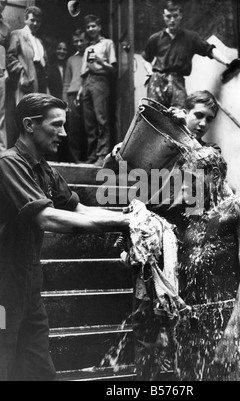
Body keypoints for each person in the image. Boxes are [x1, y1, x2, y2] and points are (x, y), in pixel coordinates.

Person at [0, 93, 130, 381]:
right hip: (2, 287)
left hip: (29, 285)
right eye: (56, 125)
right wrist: (122, 222)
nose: (64, 133)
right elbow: (47, 218)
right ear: (29, 125)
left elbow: (80, 208)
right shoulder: (8, 164)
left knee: (39, 369)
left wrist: (132, 216)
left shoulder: (45, 170)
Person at [176, 147, 240, 381]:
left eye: (190, 178)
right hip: (191, 325)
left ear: (214, 175)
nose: (184, 185)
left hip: (225, 319)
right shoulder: (193, 213)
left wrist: (232, 333)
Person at [142, 0, 232, 109]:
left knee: (179, 114)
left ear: (181, 16)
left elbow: (209, 50)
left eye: (175, 16)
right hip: (157, 81)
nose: (172, 20)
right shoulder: (155, 38)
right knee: (154, 115)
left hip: (177, 82)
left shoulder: (190, 38)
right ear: (163, 17)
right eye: (168, 16)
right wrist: (151, 73)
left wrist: (228, 62)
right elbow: (146, 58)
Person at [80, 15, 117, 166]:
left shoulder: (107, 43)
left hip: (101, 81)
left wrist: (101, 61)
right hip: (87, 83)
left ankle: (102, 155)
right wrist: (81, 91)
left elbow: (113, 69)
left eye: (93, 26)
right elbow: (83, 72)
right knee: (89, 123)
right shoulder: (88, 48)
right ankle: (92, 156)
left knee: (102, 119)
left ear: (99, 27)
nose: (91, 29)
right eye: (88, 27)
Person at [7, 6, 48, 104]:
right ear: (25, 19)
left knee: (39, 108)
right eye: (32, 20)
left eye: (38, 21)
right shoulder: (17, 34)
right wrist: (22, 72)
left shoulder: (39, 41)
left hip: (40, 77)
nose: (35, 24)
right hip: (27, 77)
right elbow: (10, 57)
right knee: (27, 108)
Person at [63, 29, 87, 163]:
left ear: (86, 40)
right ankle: (75, 159)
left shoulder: (90, 56)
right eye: (76, 41)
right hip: (72, 96)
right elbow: (66, 83)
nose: (79, 43)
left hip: (87, 95)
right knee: (73, 129)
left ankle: (88, 158)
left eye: (81, 40)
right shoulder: (71, 59)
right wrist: (64, 102)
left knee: (88, 127)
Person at [0, 0, 10, 152]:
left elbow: (5, 50)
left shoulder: (6, 28)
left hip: (0, 72)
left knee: (1, 112)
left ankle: (1, 148)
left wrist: (6, 70)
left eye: (3, 2)